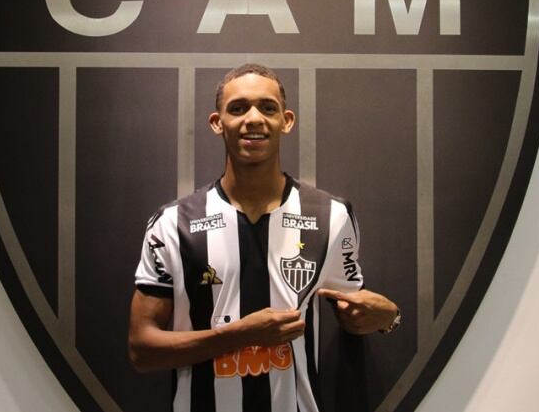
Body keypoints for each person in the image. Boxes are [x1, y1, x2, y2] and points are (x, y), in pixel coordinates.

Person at [129, 64, 399, 412]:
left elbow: (354, 313)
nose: (253, 119)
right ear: (217, 123)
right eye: (238, 108)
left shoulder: (331, 216)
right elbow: (141, 349)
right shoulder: (172, 224)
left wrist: (389, 317)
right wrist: (241, 335)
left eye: (267, 108)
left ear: (286, 121)